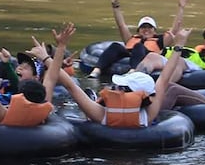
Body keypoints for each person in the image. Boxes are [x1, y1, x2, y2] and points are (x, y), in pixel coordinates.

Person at [56, 26, 192, 128]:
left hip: (104, 152)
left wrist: (58, 50)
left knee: (91, 101)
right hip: (142, 159)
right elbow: (164, 78)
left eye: (120, 87)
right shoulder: (148, 116)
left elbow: (70, 85)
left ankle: (93, 99)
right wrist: (179, 45)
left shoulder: (101, 115)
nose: (115, 89)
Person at [89, 0, 187, 78]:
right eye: (143, 27)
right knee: (115, 46)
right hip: (129, 56)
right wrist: (115, 5)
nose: (146, 29)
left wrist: (181, 8)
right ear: (138, 30)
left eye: (149, 27)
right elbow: (121, 24)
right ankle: (97, 70)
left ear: (154, 30)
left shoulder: (160, 40)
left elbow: (175, 28)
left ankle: (133, 71)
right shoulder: (131, 39)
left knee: (138, 46)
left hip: (146, 59)